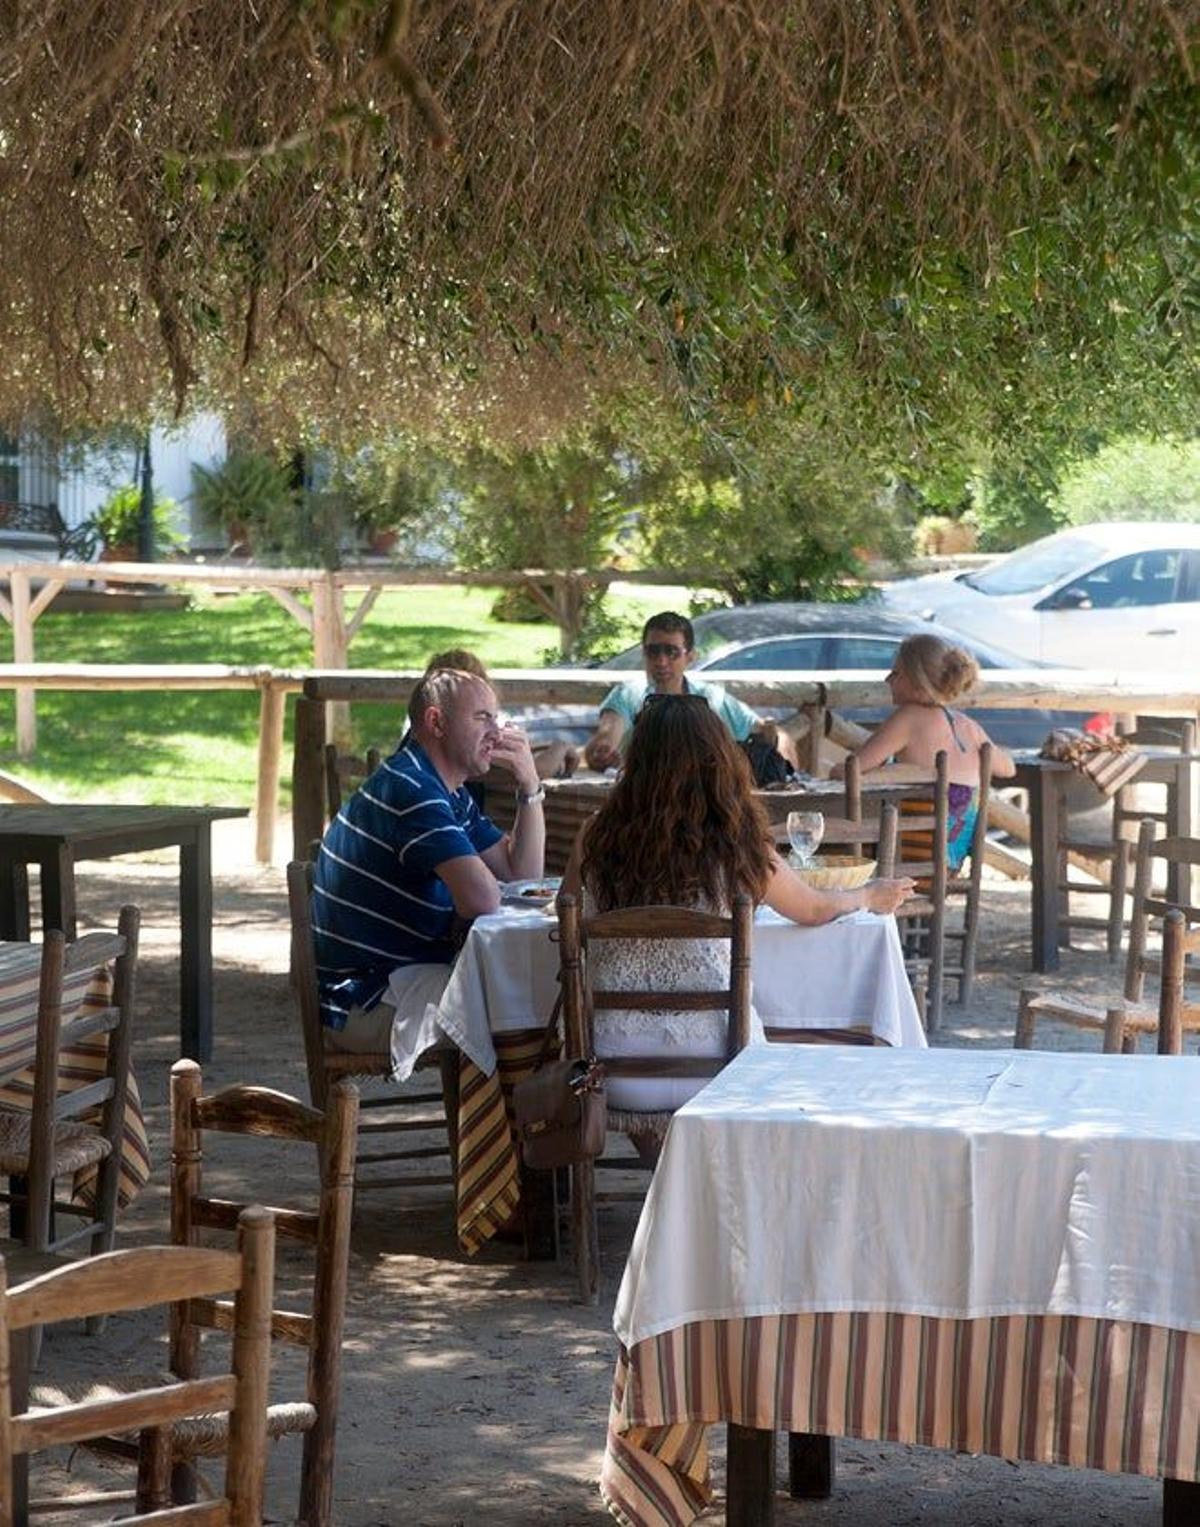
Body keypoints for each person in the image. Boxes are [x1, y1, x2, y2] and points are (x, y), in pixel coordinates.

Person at [566, 694, 913, 1156]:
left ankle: (669, 1190)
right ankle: (690, 1194)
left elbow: (565, 910)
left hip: (613, 1069)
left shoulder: (597, 834)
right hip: (717, 1068)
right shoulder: (736, 842)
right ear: (718, 759)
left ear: (637, 757)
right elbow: (811, 909)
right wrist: (867, 895)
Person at [312, 667, 546, 1055]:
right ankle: (505, 1117)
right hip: (366, 1001)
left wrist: (529, 785)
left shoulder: (443, 789)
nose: (497, 731)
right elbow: (482, 900)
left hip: (400, 981)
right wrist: (493, 885)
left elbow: (522, 876)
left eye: (497, 717)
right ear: (436, 721)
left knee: (524, 998)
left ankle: (494, 1117)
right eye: (482, 717)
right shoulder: (412, 788)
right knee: (526, 1011)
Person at [850, 632, 1016, 870]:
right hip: (949, 865)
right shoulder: (968, 726)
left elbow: (850, 770)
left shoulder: (908, 718)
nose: (888, 679)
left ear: (918, 682)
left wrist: (886, 772)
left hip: (903, 863)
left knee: (831, 847)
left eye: (897, 673)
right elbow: (1008, 769)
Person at [583, 611, 798, 773]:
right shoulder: (629, 695)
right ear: (644, 653)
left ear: (690, 656)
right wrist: (603, 750)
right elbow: (607, 736)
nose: (661, 661)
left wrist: (780, 744)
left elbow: (765, 730)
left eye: (671, 652)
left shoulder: (710, 698)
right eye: (654, 651)